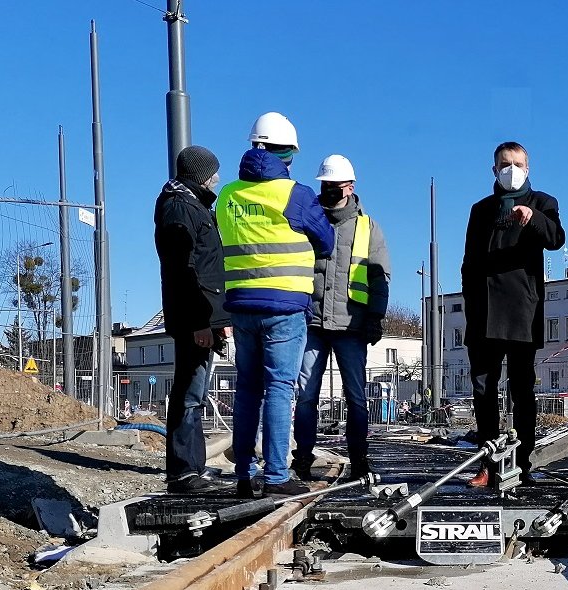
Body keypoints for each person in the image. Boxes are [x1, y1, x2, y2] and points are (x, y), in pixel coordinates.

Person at [217, 112, 335, 498]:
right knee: (280, 389)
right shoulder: (295, 194)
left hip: (241, 307)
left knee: (248, 389)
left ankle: (244, 475)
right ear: (288, 152)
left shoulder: (228, 196)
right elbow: (327, 241)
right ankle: (276, 476)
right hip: (284, 307)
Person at [459, 141, 565, 488]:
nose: (511, 169)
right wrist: (471, 310)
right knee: (483, 391)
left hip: (522, 311)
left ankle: (523, 463)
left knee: (522, 390)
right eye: (505, 164)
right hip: (485, 314)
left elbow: (556, 239)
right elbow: (469, 264)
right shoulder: (480, 209)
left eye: (518, 163)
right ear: (494, 169)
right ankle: (487, 464)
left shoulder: (543, 203)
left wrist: (532, 219)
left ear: (528, 168)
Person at [292, 154, 391, 481]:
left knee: (356, 396)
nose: (329, 190)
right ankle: (302, 458)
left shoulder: (367, 226)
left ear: (350, 186)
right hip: (313, 321)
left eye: (335, 185)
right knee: (306, 395)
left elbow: (379, 277)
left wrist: (375, 316)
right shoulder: (308, 219)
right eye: (326, 185)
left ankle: (359, 459)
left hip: (351, 324)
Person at [154, 144, 228, 494]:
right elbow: (184, 270)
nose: (218, 179)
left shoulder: (190, 205)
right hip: (192, 318)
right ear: (201, 175)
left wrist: (217, 319)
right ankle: (184, 472)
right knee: (189, 393)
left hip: (201, 315)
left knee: (194, 392)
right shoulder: (181, 209)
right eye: (213, 173)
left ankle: (192, 466)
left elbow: (207, 270)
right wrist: (201, 321)